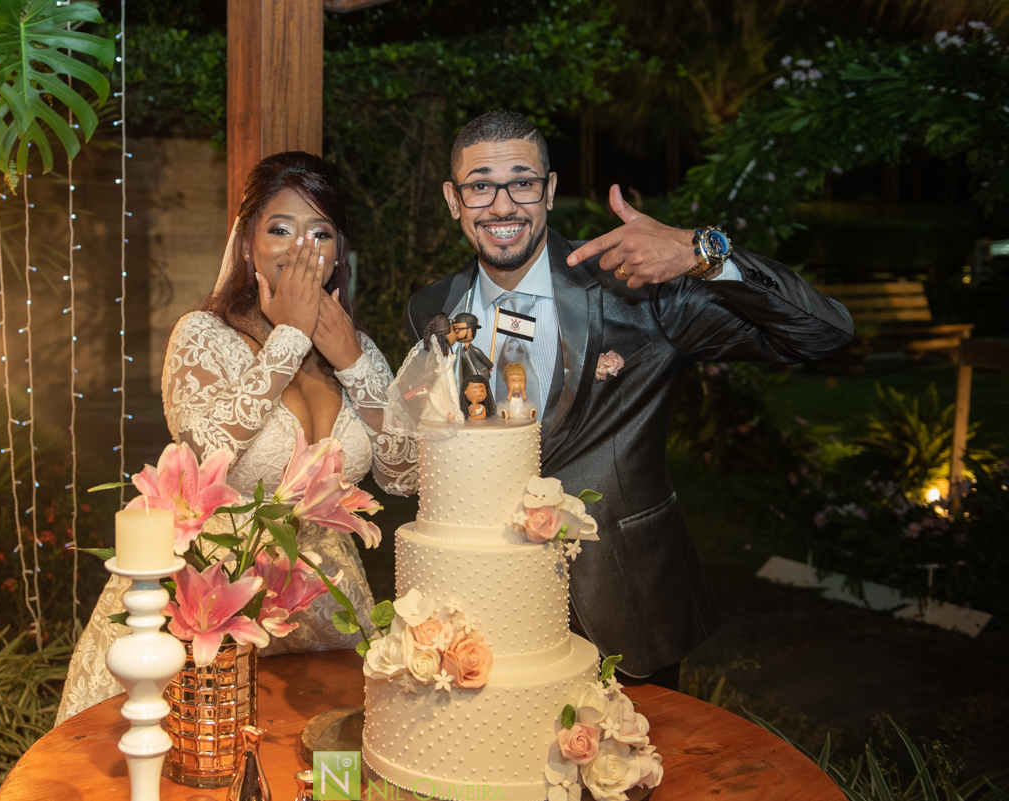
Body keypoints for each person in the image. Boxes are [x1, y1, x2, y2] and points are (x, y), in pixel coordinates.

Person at [404, 110, 853, 690]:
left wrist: (701, 253)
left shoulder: (636, 291)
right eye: (480, 185)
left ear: (550, 190)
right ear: (453, 198)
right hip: (483, 617)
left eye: (522, 181)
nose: (503, 205)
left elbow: (824, 333)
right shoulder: (431, 309)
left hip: (624, 602)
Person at [57, 152, 417, 725]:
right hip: (217, 596)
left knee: (324, 758)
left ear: (337, 252)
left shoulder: (357, 349)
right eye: (281, 229)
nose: (302, 248)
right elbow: (202, 450)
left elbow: (405, 473)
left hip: (325, 602)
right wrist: (289, 340)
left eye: (320, 232)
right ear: (248, 244)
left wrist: (352, 360)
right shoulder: (202, 335)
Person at [451, 311, 493, 387]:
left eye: (457, 329)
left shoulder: (474, 350)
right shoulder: (462, 350)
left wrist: (489, 366)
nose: (454, 333)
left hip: (479, 375)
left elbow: (485, 360)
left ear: (469, 330)